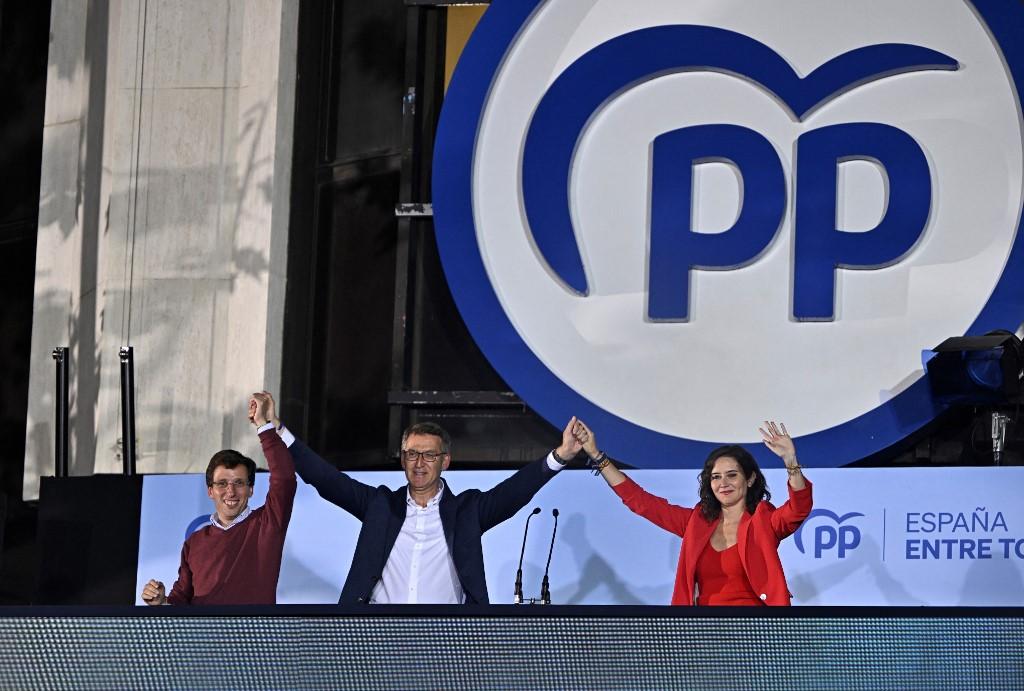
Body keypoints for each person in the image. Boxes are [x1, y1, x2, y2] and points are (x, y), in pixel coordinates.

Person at [257, 392, 582, 604]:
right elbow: (326, 479)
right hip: (377, 639)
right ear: (402, 459)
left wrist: (561, 456)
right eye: (412, 454)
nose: (419, 462)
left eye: (428, 455)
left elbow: (514, 493)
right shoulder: (379, 506)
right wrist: (276, 428)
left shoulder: (467, 511)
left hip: (444, 642)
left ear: (445, 461)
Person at [576, 420, 811, 606]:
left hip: (757, 633)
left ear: (749, 479)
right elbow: (640, 502)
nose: (723, 483)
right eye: (716, 477)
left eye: (732, 475)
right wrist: (599, 458)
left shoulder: (764, 520)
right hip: (702, 634)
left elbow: (798, 508)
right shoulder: (695, 522)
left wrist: (790, 461)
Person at [140, 392, 297, 605]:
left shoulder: (267, 524)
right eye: (222, 484)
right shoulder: (194, 542)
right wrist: (162, 602)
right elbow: (180, 603)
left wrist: (263, 425)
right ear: (210, 491)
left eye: (239, 483)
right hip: (204, 638)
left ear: (251, 489)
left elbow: (285, 478)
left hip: (254, 637)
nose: (230, 492)